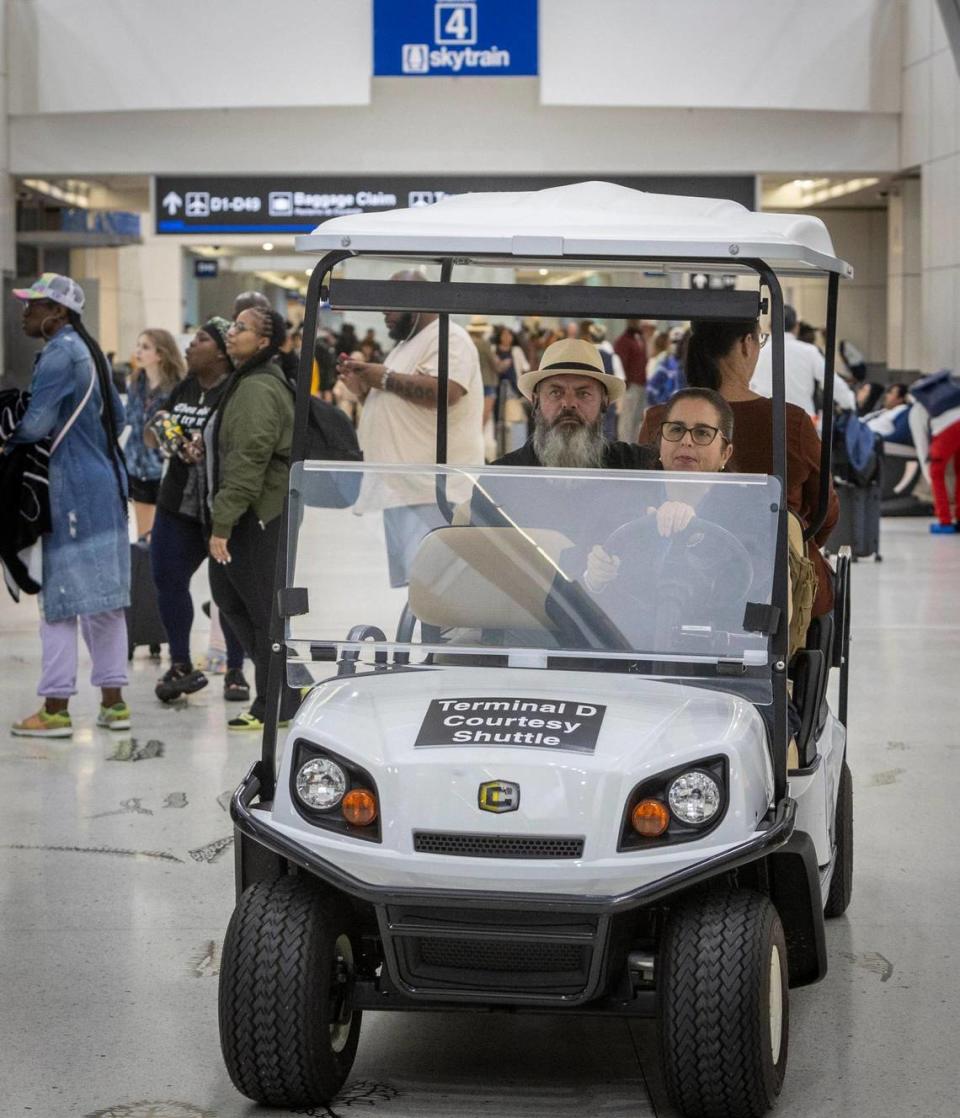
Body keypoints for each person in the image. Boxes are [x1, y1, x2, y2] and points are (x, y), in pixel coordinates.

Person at [638, 318, 839, 616]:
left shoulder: (660, 420)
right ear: (747, 344)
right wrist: (794, 537)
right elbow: (826, 512)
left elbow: (642, 495)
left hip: (668, 579)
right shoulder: (791, 423)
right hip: (771, 588)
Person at [4, 274, 131, 737]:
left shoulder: (60, 351)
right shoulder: (90, 349)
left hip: (71, 492)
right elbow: (115, 419)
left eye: (34, 305)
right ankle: (114, 705)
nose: (25, 313)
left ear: (57, 314)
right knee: (106, 601)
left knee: (60, 602)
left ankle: (55, 709)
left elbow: (35, 424)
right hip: (104, 488)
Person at [336, 270, 484, 587]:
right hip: (404, 489)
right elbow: (402, 403)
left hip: (434, 492)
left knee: (440, 590)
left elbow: (448, 391)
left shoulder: (449, 337)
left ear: (417, 301)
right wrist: (365, 388)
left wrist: (385, 378)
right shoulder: (408, 345)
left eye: (391, 304)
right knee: (419, 590)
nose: (384, 312)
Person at [148, 317, 250, 703]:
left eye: (202, 340)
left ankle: (236, 669)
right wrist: (168, 433)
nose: (190, 346)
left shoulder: (238, 390)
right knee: (168, 580)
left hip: (222, 507)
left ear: (223, 352)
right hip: (177, 505)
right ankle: (179, 663)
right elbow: (154, 427)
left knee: (228, 590)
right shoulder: (186, 387)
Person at [207, 305, 299, 730]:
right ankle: (284, 694)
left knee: (262, 613)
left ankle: (273, 704)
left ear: (263, 342)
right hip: (251, 512)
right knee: (231, 600)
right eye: (233, 324)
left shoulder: (258, 387)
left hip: (257, 515)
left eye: (241, 328)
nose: (232, 331)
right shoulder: (245, 381)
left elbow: (249, 459)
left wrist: (223, 522)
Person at [585, 387, 735, 593]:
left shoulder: (744, 513)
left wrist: (695, 536)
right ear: (660, 443)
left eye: (702, 433)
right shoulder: (621, 503)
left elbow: (747, 584)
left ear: (725, 454)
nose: (686, 441)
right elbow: (577, 579)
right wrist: (594, 580)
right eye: (676, 430)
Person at [495, 338, 657, 470]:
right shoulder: (504, 476)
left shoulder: (633, 465)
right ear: (536, 401)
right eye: (556, 393)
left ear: (605, 402)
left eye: (583, 393)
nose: (569, 403)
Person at [126, 328, 184, 537]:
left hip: (164, 468)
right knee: (143, 533)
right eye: (138, 346)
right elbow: (130, 420)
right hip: (136, 465)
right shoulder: (135, 383)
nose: (138, 351)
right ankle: (146, 567)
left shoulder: (177, 388)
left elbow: (175, 434)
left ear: (160, 354)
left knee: (162, 534)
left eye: (145, 347)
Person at [750, 303, 855, 416]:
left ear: (770, 325)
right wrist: (849, 402)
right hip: (802, 422)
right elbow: (830, 381)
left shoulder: (757, 351)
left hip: (765, 418)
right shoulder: (809, 351)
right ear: (796, 327)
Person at [906, 370, 960, 533]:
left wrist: (928, 473)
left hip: (946, 431)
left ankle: (944, 522)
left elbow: (922, 444)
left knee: (937, 473)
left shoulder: (917, 408)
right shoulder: (949, 393)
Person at [614, 319, 653, 442]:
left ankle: (634, 445)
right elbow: (621, 364)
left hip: (641, 385)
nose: (637, 323)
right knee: (627, 420)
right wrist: (626, 384)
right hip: (630, 386)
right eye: (634, 321)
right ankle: (624, 446)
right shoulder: (623, 341)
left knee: (637, 420)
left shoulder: (639, 338)